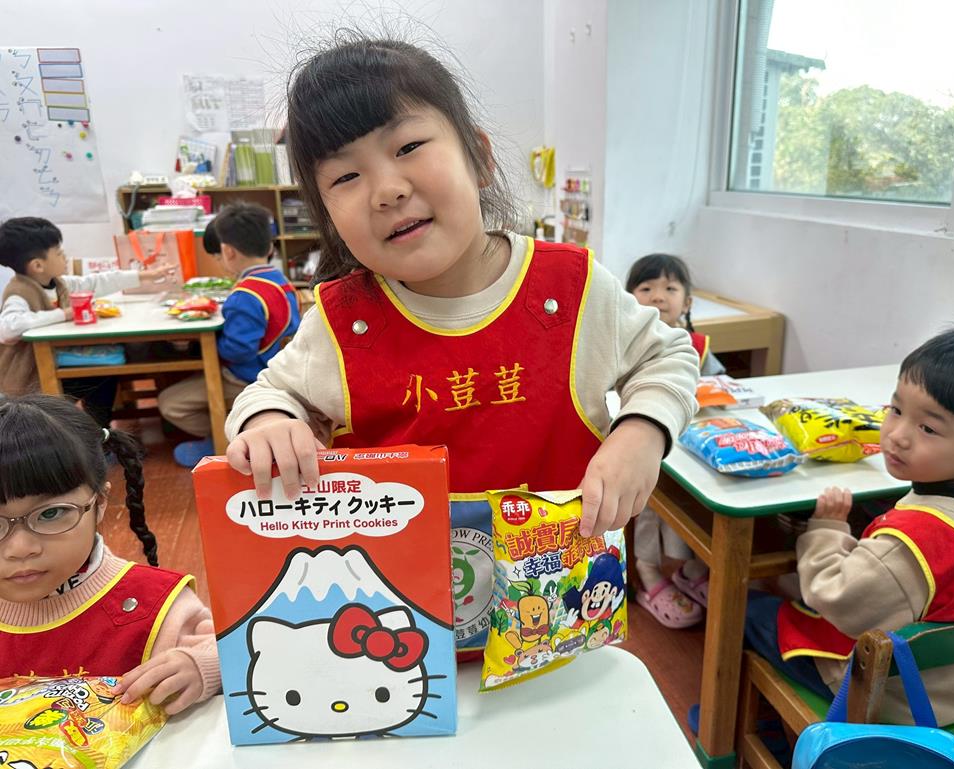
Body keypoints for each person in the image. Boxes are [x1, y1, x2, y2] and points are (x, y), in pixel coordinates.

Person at [223, 36, 699, 657]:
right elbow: (268, 392)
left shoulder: (571, 289)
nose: (386, 189)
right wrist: (268, 421)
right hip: (396, 641)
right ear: (325, 215)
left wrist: (642, 432)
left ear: (479, 157)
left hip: (554, 626)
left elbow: (669, 354)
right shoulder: (343, 323)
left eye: (408, 147)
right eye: (345, 176)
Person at [745, 324, 954, 725]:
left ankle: (742, 731)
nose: (897, 436)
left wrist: (826, 529)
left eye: (928, 428)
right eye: (896, 410)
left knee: (748, 608)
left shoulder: (907, 546)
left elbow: (834, 600)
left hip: (889, 700)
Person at [0, 394, 221, 714]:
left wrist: (201, 665)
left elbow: (245, 652)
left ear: (100, 503)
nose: (20, 548)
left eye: (50, 513)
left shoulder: (155, 608)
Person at [158, 203, 299, 468]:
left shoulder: (244, 294)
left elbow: (238, 351)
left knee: (169, 403)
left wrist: (203, 344)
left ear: (228, 251)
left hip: (248, 376)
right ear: (270, 247)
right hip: (279, 369)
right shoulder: (281, 280)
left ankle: (224, 438)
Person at [0, 216, 175, 426]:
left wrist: (145, 275)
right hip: (31, 379)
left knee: (104, 371)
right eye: (59, 253)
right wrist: (64, 314)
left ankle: (99, 430)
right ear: (38, 265)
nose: (65, 257)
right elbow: (8, 329)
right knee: (101, 374)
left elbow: (96, 282)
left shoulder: (58, 284)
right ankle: (95, 431)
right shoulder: (18, 292)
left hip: (59, 362)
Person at [625, 253, 719, 628]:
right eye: (646, 288)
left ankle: (689, 568)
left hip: (695, 443)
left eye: (670, 288)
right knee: (649, 501)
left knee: (696, 502)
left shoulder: (699, 346)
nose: (659, 296)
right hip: (645, 446)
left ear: (688, 301)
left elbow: (722, 387)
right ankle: (647, 570)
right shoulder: (626, 340)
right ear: (628, 297)